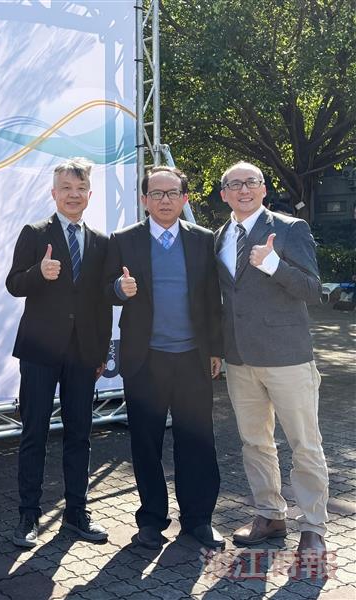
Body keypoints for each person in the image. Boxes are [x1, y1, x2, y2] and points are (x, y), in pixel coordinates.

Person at [103, 166, 225, 550]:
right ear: (144, 200)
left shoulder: (203, 240)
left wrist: (216, 349)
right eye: (156, 193)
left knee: (196, 440)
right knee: (145, 443)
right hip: (145, 359)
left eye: (172, 193)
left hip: (192, 357)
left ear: (185, 198)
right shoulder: (124, 240)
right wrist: (119, 290)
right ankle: (152, 520)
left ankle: (198, 519)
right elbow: (105, 290)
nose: (165, 200)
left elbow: (212, 299)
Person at [215, 161, 328, 558]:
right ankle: (269, 514)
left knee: (304, 444)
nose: (243, 189)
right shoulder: (220, 236)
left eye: (251, 183)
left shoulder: (291, 229)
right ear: (224, 192)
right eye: (234, 184)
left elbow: (313, 290)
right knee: (255, 442)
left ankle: (313, 526)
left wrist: (275, 265)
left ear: (263, 190)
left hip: (287, 357)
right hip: (240, 359)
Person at [6, 158, 112, 548]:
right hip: (39, 351)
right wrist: (39, 273)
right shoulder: (34, 233)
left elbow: (103, 301)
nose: (73, 195)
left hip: (84, 354)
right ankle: (28, 516)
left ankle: (76, 514)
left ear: (89, 194)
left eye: (80, 188)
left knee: (80, 435)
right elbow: (13, 284)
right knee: (34, 433)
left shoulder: (101, 241)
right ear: (54, 193)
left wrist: (101, 352)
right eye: (66, 188)